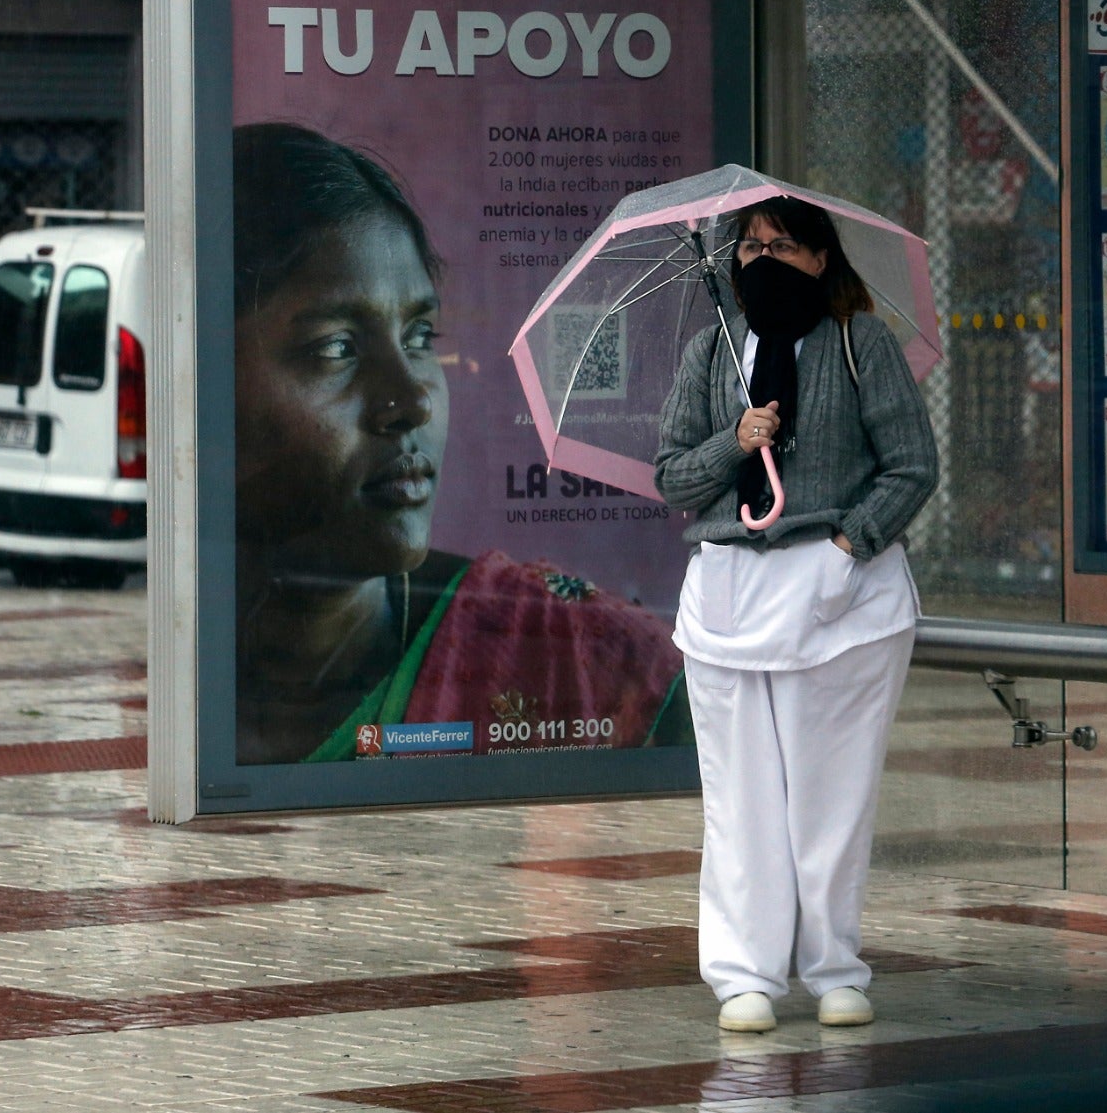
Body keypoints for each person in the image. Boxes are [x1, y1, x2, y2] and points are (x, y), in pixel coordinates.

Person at [233, 121, 692, 765]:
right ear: (201, 381)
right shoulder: (187, 696)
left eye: (421, 337)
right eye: (337, 348)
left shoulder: (599, 670)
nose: (415, 399)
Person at [654, 196, 938, 1032]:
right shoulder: (712, 350)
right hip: (729, 596)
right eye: (748, 246)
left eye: (781, 244)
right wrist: (734, 442)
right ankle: (744, 974)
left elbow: (911, 465)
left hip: (838, 602)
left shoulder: (860, 341)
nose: (762, 258)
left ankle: (834, 965)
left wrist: (851, 547)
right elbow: (673, 476)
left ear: (821, 258)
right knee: (739, 803)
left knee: (829, 799)